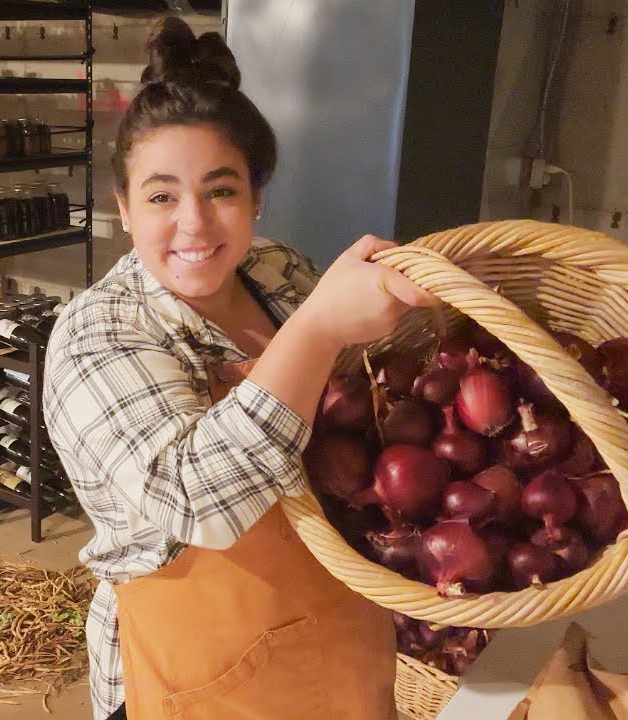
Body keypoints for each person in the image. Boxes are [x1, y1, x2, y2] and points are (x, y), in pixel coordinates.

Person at [42, 17, 438, 720]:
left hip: (336, 627)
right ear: (125, 209)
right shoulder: (98, 332)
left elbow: (364, 402)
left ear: (256, 198)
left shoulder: (276, 270)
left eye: (221, 191)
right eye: (162, 196)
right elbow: (197, 504)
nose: (193, 223)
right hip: (194, 667)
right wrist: (317, 331)